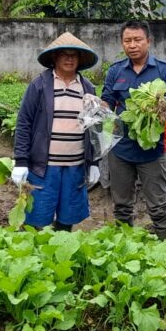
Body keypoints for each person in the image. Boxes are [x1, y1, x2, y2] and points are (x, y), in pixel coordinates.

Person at [11, 32, 101, 231]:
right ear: (54, 58)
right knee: (36, 217)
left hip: (75, 165)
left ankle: (60, 255)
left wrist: (93, 162)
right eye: (64, 55)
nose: (69, 59)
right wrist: (21, 161)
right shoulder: (40, 85)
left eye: (74, 55)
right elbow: (24, 122)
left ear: (79, 59)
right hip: (44, 167)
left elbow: (94, 128)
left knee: (67, 218)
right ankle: (33, 258)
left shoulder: (87, 88)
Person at [101, 20, 166, 241]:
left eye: (137, 40)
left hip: (152, 151)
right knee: (122, 206)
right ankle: (124, 250)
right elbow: (107, 101)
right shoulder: (116, 71)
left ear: (148, 41)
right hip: (120, 150)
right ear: (122, 43)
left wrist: (154, 107)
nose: (132, 45)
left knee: (158, 205)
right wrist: (96, 106)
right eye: (127, 41)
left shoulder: (165, 70)